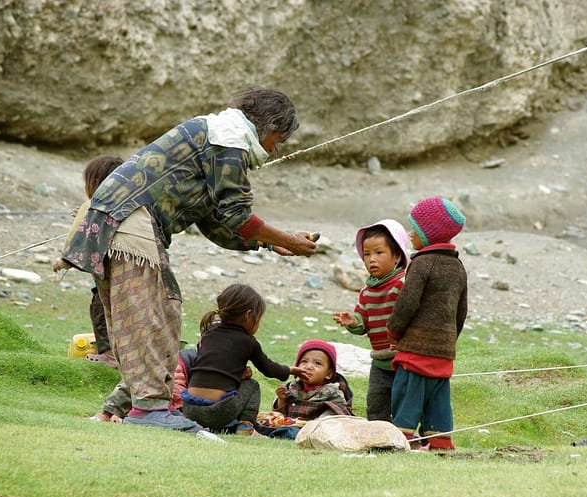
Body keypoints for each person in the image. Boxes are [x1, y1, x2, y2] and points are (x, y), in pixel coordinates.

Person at [61, 87, 317, 430]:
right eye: (279, 140)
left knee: (149, 315)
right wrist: (288, 240)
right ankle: (149, 410)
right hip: (131, 224)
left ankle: (135, 407)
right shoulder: (230, 140)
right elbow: (238, 214)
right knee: (154, 314)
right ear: (270, 128)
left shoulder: (215, 135)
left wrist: (269, 245)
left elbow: (216, 222)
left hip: (115, 223)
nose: (275, 150)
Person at [387, 197, 467, 451]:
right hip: (443, 351)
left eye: (415, 229)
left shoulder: (422, 263)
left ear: (429, 234)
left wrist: (394, 329)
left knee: (407, 393)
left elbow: (407, 303)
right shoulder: (457, 266)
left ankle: (402, 439)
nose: (410, 234)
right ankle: (440, 442)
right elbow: (461, 310)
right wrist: (449, 341)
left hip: (416, 349)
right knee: (438, 398)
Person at [180, 283, 307, 435]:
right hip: (219, 412)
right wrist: (290, 370)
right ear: (248, 315)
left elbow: (211, 365)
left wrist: (237, 373)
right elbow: (269, 369)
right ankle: (245, 425)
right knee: (252, 385)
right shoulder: (248, 342)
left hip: (189, 409)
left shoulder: (208, 333)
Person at [332, 219, 409, 421]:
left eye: (379, 252)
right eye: (367, 254)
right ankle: (378, 435)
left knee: (404, 402)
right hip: (380, 361)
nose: (371, 259)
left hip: (403, 359)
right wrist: (353, 321)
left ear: (397, 255)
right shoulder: (367, 292)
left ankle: (404, 437)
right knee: (376, 401)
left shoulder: (402, 285)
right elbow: (363, 322)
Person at [53, 155, 124, 366]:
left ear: (94, 183)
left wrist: (64, 261)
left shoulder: (95, 204)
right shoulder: (130, 201)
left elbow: (78, 234)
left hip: (108, 279)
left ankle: (109, 354)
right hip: (132, 278)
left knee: (99, 310)